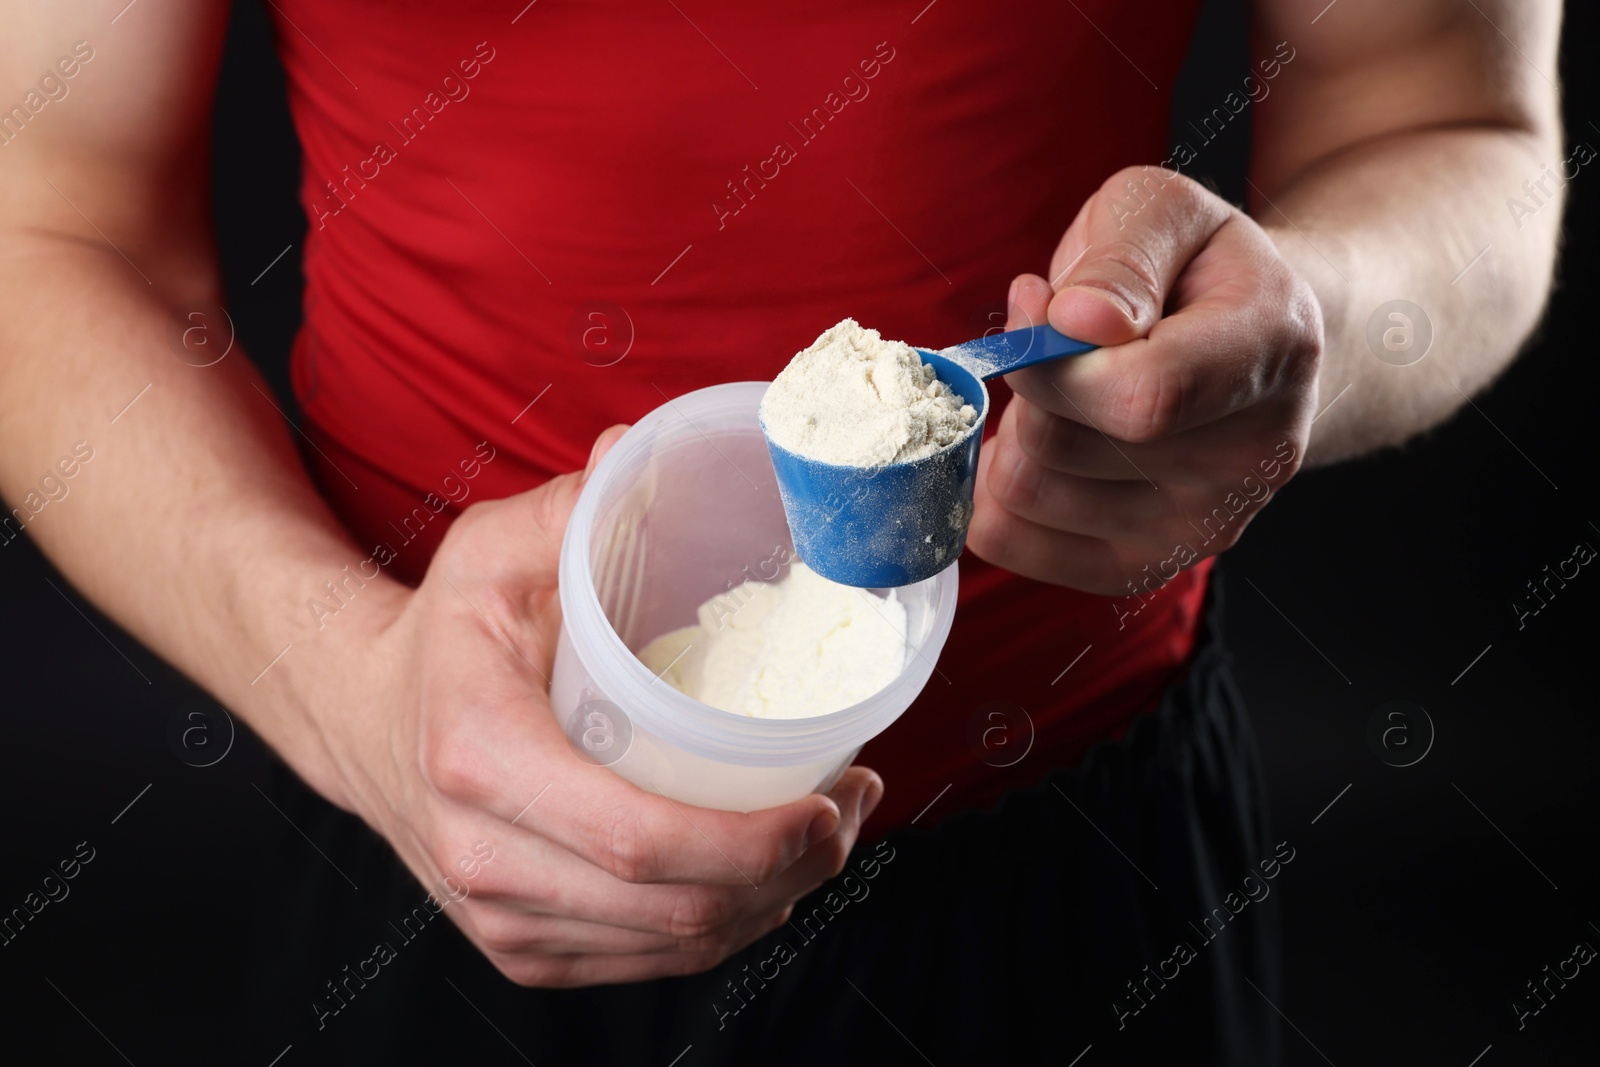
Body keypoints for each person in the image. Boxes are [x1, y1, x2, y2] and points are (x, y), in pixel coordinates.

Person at [0, 0, 1563, 1062]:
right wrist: (352, 692)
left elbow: (1451, 120)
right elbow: (45, 217)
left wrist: (1319, 328)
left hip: (1076, 844)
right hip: (428, 815)